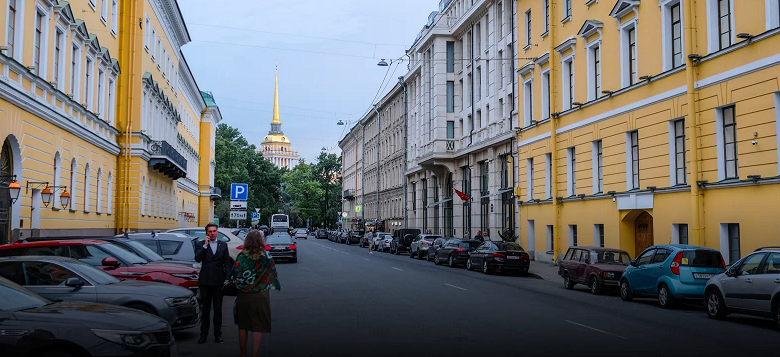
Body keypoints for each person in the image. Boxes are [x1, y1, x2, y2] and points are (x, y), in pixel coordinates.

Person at [230, 230, 281, 357]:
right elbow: (274, 274)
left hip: (244, 294)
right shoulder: (267, 256)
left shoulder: (242, 256)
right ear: (261, 241)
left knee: (243, 325)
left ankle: (243, 354)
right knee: (258, 326)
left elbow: (235, 274)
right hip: (261, 295)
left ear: (247, 241)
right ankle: (254, 355)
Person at [195, 223, 233, 344]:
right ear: (206, 233)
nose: (212, 233)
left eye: (214, 231)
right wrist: (205, 246)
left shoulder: (223, 245)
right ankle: (203, 334)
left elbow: (227, 262)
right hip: (205, 281)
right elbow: (197, 258)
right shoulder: (201, 244)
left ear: (217, 232)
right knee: (205, 310)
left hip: (218, 281)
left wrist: (227, 276)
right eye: (210, 231)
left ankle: (218, 334)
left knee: (218, 309)